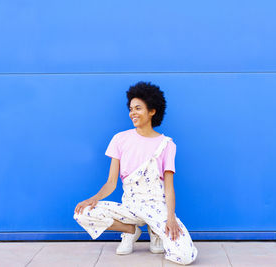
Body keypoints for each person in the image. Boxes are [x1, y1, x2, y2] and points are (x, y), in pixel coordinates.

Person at [74, 81, 198, 265]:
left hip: (156, 207)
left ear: (152, 111)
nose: (132, 113)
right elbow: (111, 183)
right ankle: (131, 230)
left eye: (138, 108)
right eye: (131, 108)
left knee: (185, 255)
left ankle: (156, 231)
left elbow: (169, 187)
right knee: (82, 212)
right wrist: (94, 198)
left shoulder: (167, 145)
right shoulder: (120, 139)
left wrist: (170, 218)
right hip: (130, 206)